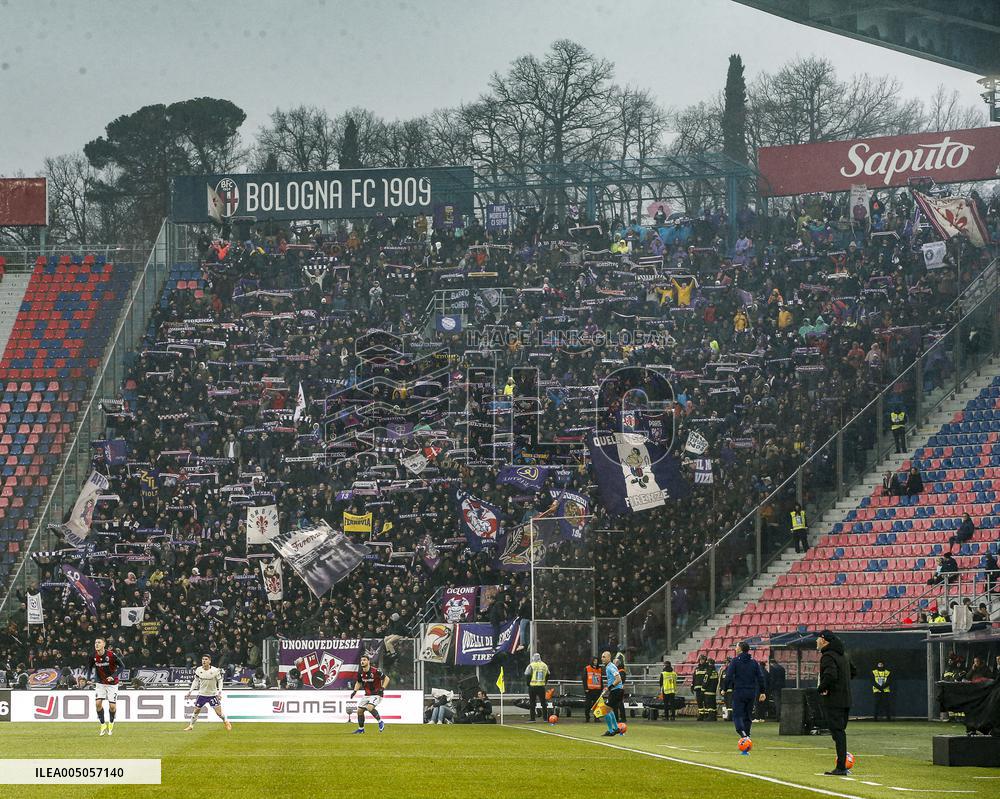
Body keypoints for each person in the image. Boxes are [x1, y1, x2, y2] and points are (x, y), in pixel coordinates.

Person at [817, 630, 854, 775]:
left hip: (834, 700)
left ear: (824, 640)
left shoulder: (828, 656)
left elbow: (830, 675)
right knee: (839, 732)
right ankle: (842, 764)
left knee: (837, 733)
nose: (816, 641)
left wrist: (822, 688)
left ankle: (841, 767)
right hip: (846, 699)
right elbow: (854, 671)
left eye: (818, 638)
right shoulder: (843, 655)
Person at [78, 637, 123, 737]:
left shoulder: (111, 655)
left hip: (112, 683)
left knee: (112, 707)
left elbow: (122, 666)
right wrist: (88, 678)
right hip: (100, 682)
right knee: (98, 703)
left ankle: (111, 723)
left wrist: (113, 676)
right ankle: (103, 725)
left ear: (104, 644)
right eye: (95, 642)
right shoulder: (93, 655)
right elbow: (89, 668)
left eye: (99, 642)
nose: (96, 644)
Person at [724, 642, 767, 747]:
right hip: (751, 692)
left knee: (737, 714)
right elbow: (760, 677)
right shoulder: (754, 662)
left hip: (739, 691)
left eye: (736, 647)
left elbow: (729, 676)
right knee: (748, 715)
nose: (735, 649)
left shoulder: (735, 661)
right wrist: (762, 691)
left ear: (740, 649)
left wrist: (724, 688)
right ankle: (747, 735)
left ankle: (742, 734)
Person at [184, 654, 231, 731]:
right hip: (202, 694)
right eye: (203, 659)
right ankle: (191, 726)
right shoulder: (198, 670)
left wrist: (219, 692)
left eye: (206, 659)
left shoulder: (215, 670)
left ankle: (226, 722)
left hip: (212, 695)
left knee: (219, 713)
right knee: (196, 711)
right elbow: (195, 681)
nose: (204, 661)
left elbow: (220, 681)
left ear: (209, 661)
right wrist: (190, 691)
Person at [351, 654, 388, 733]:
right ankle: (361, 729)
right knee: (359, 711)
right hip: (367, 694)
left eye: (364, 660)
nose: (362, 662)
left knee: (369, 707)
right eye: (361, 660)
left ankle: (380, 722)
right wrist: (354, 691)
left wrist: (382, 688)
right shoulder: (360, 672)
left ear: (368, 661)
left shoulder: (375, 671)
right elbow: (358, 682)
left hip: (377, 694)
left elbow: (387, 679)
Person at [599, 650, 624, 737]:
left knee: (604, 709)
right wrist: (608, 688)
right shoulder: (610, 666)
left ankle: (611, 730)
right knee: (609, 709)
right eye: (602, 657)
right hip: (617, 690)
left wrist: (610, 688)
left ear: (609, 658)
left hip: (616, 691)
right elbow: (614, 679)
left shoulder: (610, 667)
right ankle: (616, 728)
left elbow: (618, 679)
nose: (602, 658)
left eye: (604, 657)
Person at [524, 652, 550, 722]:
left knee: (532, 703)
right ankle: (545, 718)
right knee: (543, 702)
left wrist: (528, 684)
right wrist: (545, 682)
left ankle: (532, 718)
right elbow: (548, 674)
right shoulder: (544, 665)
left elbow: (527, 675)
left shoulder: (531, 665)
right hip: (541, 686)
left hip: (532, 686)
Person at [583, 656, 603, 723]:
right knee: (588, 705)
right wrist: (586, 688)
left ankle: (597, 718)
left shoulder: (599, 669)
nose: (595, 662)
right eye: (594, 661)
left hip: (597, 690)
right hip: (589, 690)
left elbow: (601, 679)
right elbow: (584, 679)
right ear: (592, 661)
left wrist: (601, 688)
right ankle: (587, 718)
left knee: (597, 705)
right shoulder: (587, 668)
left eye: (596, 661)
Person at [692, 654, 708, 721]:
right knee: (699, 702)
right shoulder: (697, 669)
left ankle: (706, 715)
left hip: (705, 688)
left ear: (705, 660)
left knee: (706, 702)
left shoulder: (707, 668)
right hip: (697, 688)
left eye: (703, 659)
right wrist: (692, 685)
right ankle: (701, 715)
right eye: (700, 659)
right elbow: (694, 678)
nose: (701, 661)